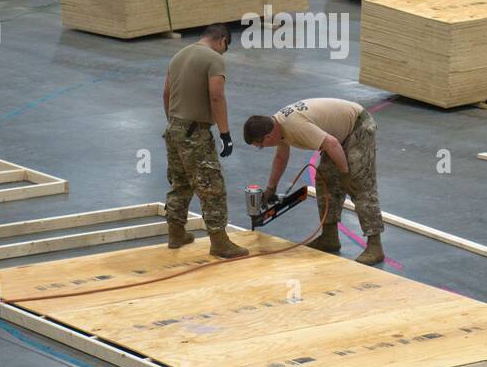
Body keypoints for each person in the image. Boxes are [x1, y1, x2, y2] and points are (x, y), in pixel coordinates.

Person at [243, 98, 385, 266]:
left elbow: (331, 144)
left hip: (357, 127)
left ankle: (375, 246)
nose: (262, 148)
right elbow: (281, 156)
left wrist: (346, 174)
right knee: (325, 180)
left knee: (359, 185)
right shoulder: (276, 125)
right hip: (338, 136)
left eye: (260, 145)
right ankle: (329, 237)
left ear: (268, 137)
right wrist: (271, 188)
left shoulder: (295, 126)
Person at [162, 24, 248, 259]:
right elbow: (216, 96)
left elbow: (166, 93)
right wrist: (225, 133)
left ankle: (176, 233)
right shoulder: (213, 59)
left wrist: (173, 123)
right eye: (225, 48)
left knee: (180, 183)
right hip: (195, 133)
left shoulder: (179, 55)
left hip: (174, 129)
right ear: (221, 40)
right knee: (212, 187)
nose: (223, 53)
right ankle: (220, 242)